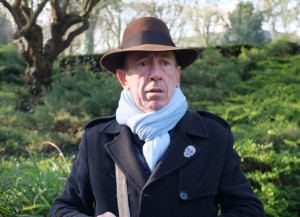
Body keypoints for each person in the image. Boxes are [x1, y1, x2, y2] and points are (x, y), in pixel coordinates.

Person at [48, 16, 266, 217]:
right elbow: (63, 208)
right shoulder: (97, 139)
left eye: (164, 63)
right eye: (143, 63)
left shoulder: (213, 136)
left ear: (177, 75)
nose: (156, 74)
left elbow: (248, 209)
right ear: (124, 79)